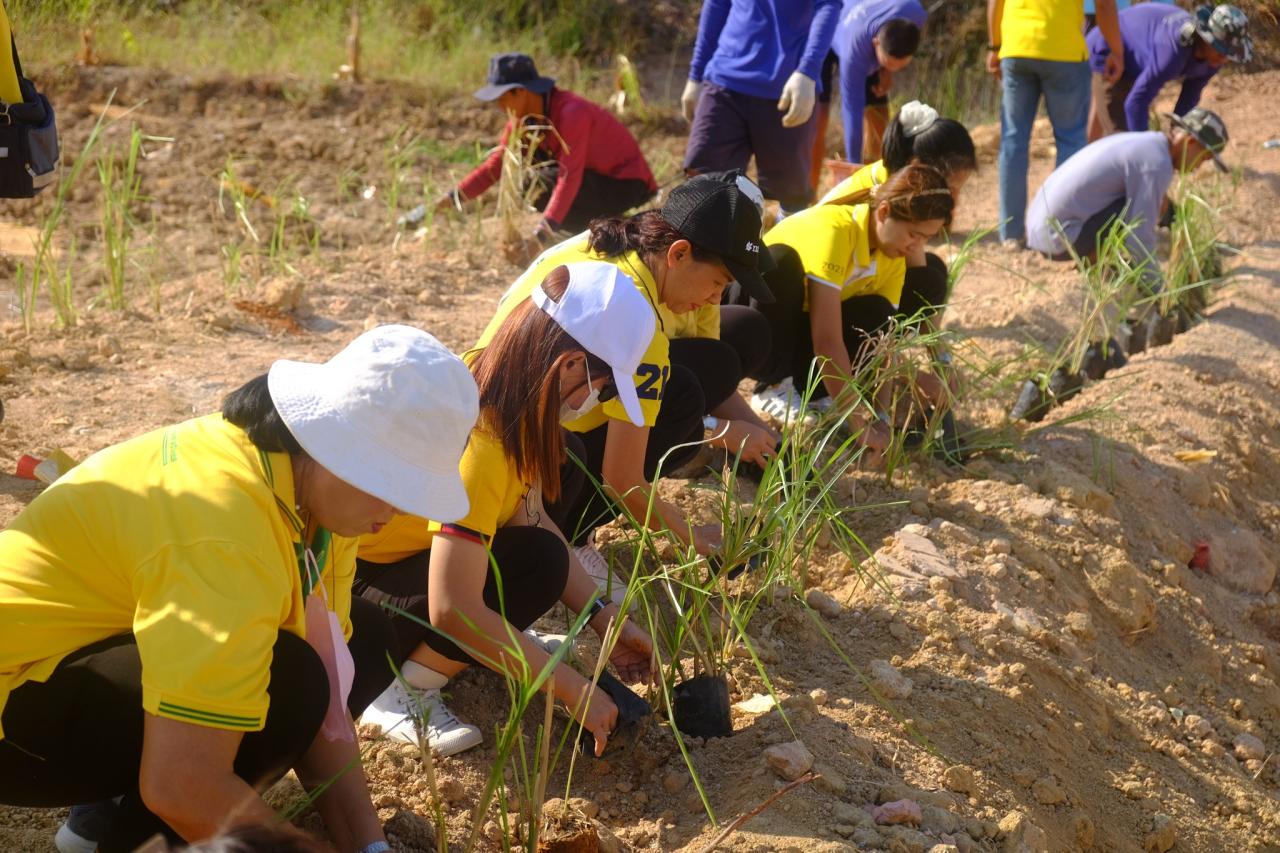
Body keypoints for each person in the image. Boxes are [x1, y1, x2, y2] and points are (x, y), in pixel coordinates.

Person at [0, 326, 478, 853]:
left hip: (86, 661)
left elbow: (328, 713)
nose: (398, 511)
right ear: (336, 446)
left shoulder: (315, 495)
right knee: (291, 678)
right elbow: (183, 782)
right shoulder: (224, 525)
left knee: (354, 640)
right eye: (390, 484)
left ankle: (112, 818)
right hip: (15, 712)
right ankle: (136, 836)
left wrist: (370, 846)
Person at [354, 262, 658, 757]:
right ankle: (401, 692)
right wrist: (568, 687)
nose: (597, 399)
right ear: (569, 364)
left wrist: (603, 618)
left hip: (398, 561)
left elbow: (530, 516)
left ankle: (450, 659)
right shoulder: (483, 442)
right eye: (601, 384)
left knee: (546, 543)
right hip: (355, 591)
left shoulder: (497, 384)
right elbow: (453, 609)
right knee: (532, 569)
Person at [476, 172, 777, 588]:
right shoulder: (636, 320)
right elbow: (622, 480)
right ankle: (571, 531)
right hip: (526, 459)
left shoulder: (610, 247)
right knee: (684, 399)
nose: (713, 299)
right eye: (718, 284)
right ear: (679, 253)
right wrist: (695, 538)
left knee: (708, 367)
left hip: (486, 410)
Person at [743, 165, 956, 452]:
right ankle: (772, 387)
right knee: (782, 264)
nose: (916, 247)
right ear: (883, 213)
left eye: (926, 238)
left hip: (802, 327)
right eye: (913, 235)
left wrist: (880, 420)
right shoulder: (836, 231)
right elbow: (827, 342)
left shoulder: (890, 256)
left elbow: (882, 347)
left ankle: (813, 393)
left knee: (878, 312)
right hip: (758, 319)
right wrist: (858, 424)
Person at [437, 53, 657, 262]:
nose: (499, 106)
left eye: (502, 98)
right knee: (533, 184)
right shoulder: (522, 121)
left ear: (521, 92)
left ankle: (613, 232)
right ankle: (600, 234)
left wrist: (539, 237)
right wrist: (445, 201)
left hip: (625, 183)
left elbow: (568, 176)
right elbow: (495, 167)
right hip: (592, 183)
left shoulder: (571, 113)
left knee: (538, 184)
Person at [682, 0, 840, 214]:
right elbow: (717, 4)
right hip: (724, 83)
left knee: (792, 196)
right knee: (701, 181)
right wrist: (696, 74)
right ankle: (717, 239)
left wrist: (808, 72)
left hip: (786, 90)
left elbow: (828, 6)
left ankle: (783, 243)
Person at [988, 0, 1124, 246]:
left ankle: (1011, 234)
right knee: (1070, 139)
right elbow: (1104, 5)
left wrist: (994, 44)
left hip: (1018, 47)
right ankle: (1059, 231)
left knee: (1013, 141)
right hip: (1065, 52)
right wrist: (1117, 51)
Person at [1026, 107, 1228, 273]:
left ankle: (1098, 265)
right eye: (1203, 158)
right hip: (1057, 240)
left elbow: (1158, 201)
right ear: (1190, 142)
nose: (1199, 166)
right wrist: (1157, 291)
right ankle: (1094, 268)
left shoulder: (1148, 144)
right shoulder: (1157, 164)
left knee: (1142, 200)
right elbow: (1139, 237)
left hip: (1040, 230)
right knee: (1132, 211)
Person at [1087, 3, 1251, 140]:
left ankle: (1086, 159)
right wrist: (1144, 146)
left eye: (1229, 54)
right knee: (1121, 136)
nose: (1223, 59)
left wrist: (1177, 134)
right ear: (1206, 38)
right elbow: (1136, 102)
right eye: (1220, 50)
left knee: (1105, 120)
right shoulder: (1173, 49)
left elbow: (1189, 99)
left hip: (1135, 60)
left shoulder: (1213, 60)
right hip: (1110, 51)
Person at [819, 100, 977, 207]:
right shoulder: (882, 199)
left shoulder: (900, 188)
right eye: (950, 189)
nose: (953, 201)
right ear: (916, 166)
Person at [831, 0, 927, 165]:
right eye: (888, 63)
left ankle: (881, 164)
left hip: (866, 17)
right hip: (831, 27)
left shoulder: (915, 13)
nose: (893, 69)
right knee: (823, 110)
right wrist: (854, 164)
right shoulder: (853, 56)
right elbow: (851, 112)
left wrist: (887, 71)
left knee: (878, 112)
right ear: (876, 43)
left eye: (899, 66)